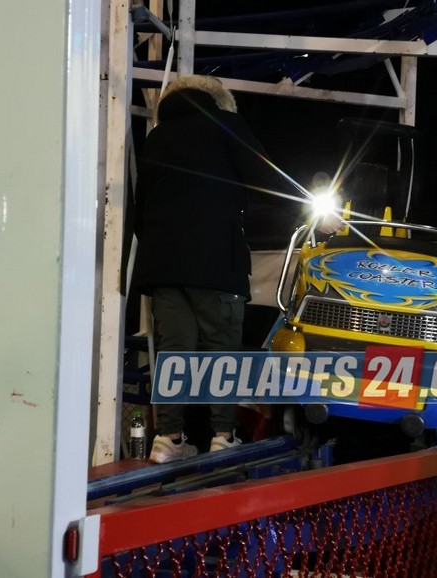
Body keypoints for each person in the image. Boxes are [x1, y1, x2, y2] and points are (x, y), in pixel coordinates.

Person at [132, 75, 291, 464]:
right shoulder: (225, 124)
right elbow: (267, 178)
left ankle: (168, 438)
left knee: (174, 351)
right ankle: (223, 435)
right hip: (217, 264)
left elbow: (140, 208)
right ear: (221, 101)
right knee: (222, 350)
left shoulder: (157, 137)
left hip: (164, 267)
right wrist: (311, 211)